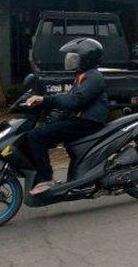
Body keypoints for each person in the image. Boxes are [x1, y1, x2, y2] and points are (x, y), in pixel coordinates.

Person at [24, 38, 109, 195]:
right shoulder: (83, 75)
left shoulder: (94, 77)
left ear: (87, 59)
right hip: (81, 119)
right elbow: (69, 97)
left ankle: (46, 178)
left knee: (36, 136)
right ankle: (77, 178)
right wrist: (44, 100)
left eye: (75, 57)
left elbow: (75, 100)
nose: (70, 60)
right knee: (44, 133)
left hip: (88, 121)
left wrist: (46, 100)